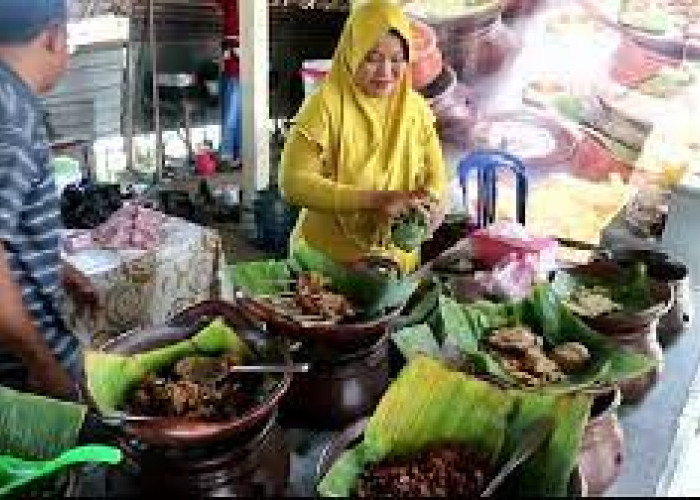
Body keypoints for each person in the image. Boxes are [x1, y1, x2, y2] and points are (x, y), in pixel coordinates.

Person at [280, 0, 447, 273]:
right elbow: (293, 183)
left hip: (394, 268)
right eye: (372, 58)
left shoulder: (415, 109)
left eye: (397, 60)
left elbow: (435, 177)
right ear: (352, 53)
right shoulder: (326, 105)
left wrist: (431, 204)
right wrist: (378, 200)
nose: (385, 72)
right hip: (326, 265)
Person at [0, 0, 92, 399]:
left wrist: (54, 265)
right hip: (18, 366)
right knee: (86, 453)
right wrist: (42, 363)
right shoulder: (11, 112)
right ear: (54, 35)